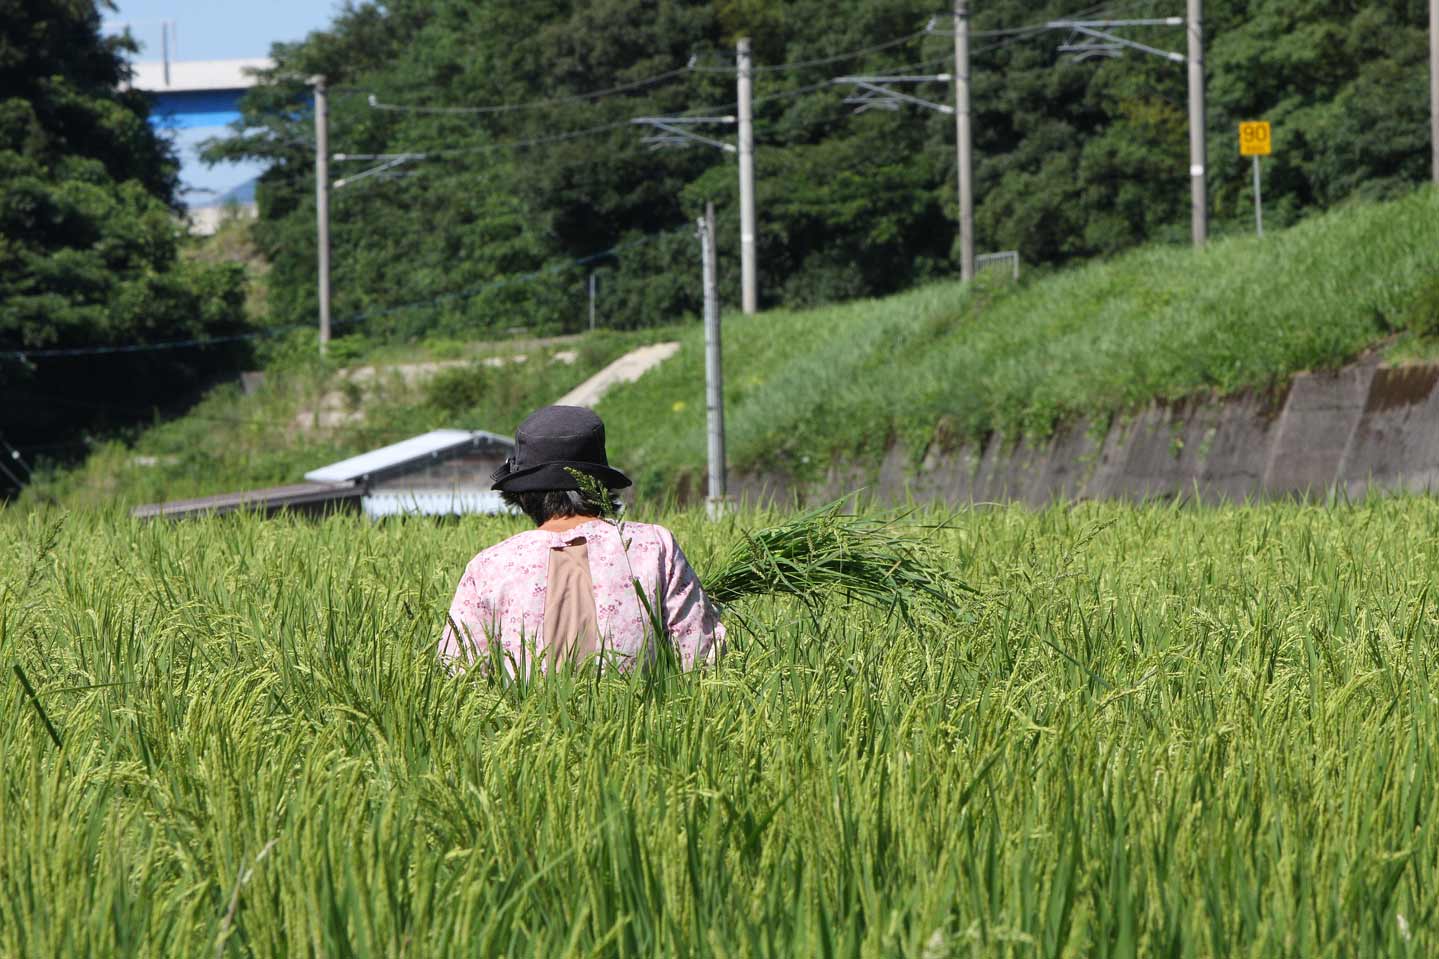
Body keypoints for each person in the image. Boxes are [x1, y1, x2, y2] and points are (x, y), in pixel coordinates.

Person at [440, 405, 725, 675]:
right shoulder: (654, 545)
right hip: (641, 723)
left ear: (523, 494)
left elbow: (459, 673)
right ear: (600, 484)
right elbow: (702, 657)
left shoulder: (489, 566)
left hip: (520, 724)